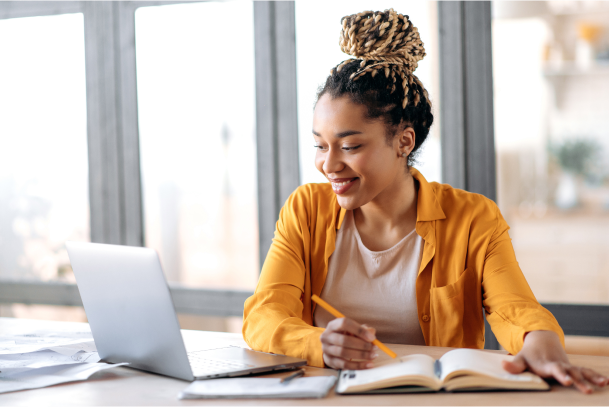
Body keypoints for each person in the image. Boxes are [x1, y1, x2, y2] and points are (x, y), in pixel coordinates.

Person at [242, 9, 608, 393]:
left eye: (350, 146)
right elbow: (264, 314)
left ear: (404, 141)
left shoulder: (473, 218)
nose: (328, 165)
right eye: (320, 145)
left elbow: (513, 308)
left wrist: (540, 340)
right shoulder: (305, 210)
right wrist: (317, 343)